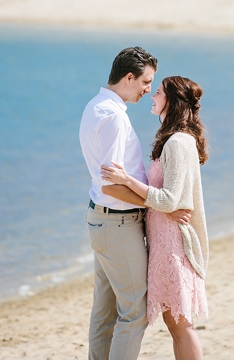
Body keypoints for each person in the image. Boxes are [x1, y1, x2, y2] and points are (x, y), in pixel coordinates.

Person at [101, 76, 209, 360]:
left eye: (158, 92)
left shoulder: (177, 142)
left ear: (171, 101)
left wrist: (127, 180)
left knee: (181, 325)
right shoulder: (175, 139)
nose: (152, 95)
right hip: (164, 242)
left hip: (174, 244)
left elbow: (170, 200)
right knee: (176, 324)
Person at [79, 46, 158, 359]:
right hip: (117, 225)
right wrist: (155, 203)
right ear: (129, 77)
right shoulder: (113, 118)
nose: (148, 89)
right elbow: (112, 186)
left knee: (105, 310)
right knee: (135, 311)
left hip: (101, 222)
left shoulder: (94, 106)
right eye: (145, 82)